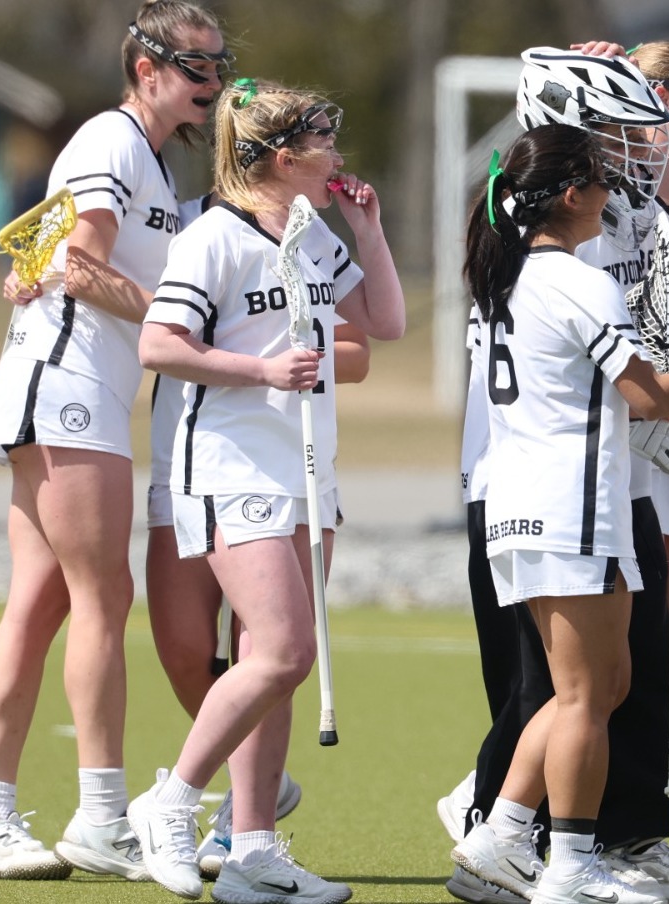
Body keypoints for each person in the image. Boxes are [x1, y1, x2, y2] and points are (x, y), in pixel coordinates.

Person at [452, 122, 669, 904]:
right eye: (604, 181)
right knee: (584, 696)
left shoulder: (507, 275)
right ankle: (569, 865)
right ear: (572, 195)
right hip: (570, 506)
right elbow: (649, 396)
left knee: (601, 684)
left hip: (526, 503)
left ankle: (501, 834)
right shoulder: (576, 280)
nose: (614, 195)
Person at [0, 1, 230, 883]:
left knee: (41, 602)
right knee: (102, 596)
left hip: (72, 389)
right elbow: (77, 265)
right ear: (147, 70)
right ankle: (102, 817)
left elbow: (46, 259)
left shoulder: (149, 160)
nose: (214, 82)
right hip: (66, 388)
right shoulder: (112, 138)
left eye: (218, 65)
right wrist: (178, 322)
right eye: (197, 67)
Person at [129, 76, 405, 903]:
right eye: (324, 140)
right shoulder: (213, 237)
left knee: (270, 662)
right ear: (285, 157)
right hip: (229, 464)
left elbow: (383, 323)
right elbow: (158, 345)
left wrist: (368, 230)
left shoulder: (312, 233)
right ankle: (172, 802)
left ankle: (252, 850)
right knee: (286, 650)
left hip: (305, 470)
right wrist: (261, 370)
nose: (337, 153)